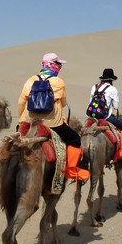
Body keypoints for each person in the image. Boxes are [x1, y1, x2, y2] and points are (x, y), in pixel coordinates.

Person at [18, 53, 89, 181]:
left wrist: (22, 120)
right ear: (53, 66)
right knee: (75, 140)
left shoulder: (31, 80)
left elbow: (21, 102)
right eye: (58, 64)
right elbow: (63, 104)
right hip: (53, 123)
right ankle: (71, 170)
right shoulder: (58, 82)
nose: (60, 66)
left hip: (29, 120)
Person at [88, 68, 122, 158]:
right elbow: (116, 107)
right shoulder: (112, 89)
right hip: (106, 117)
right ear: (111, 80)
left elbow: (90, 102)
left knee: (84, 129)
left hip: (92, 116)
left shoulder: (94, 87)